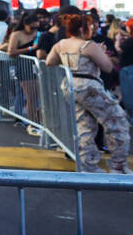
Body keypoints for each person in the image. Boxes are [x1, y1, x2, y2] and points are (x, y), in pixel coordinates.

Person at [47, 14, 131, 174]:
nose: (93, 28)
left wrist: (68, 61)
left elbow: (50, 61)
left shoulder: (61, 44)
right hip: (89, 86)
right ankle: (118, 167)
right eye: (90, 26)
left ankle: (88, 168)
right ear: (81, 28)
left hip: (70, 86)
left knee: (84, 126)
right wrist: (101, 53)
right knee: (117, 122)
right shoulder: (88, 45)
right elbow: (107, 67)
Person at [6, 12, 42, 134]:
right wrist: (29, 48)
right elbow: (11, 52)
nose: (34, 30)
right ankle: (32, 122)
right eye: (32, 27)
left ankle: (36, 121)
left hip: (37, 68)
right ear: (25, 25)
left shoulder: (37, 34)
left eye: (36, 27)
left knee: (37, 96)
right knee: (30, 96)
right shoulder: (17, 35)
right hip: (23, 67)